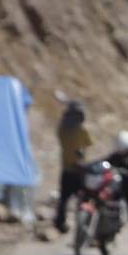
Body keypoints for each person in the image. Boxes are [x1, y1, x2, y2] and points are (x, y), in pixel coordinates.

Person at [54, 100, 92, 233]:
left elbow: (60, 139)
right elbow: (88, 144)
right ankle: (86, 224)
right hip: (79, 169)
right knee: (85, 197)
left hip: (66, 168)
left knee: (64, 198)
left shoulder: (62, 129)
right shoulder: (82, 130)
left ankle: (60, 222)